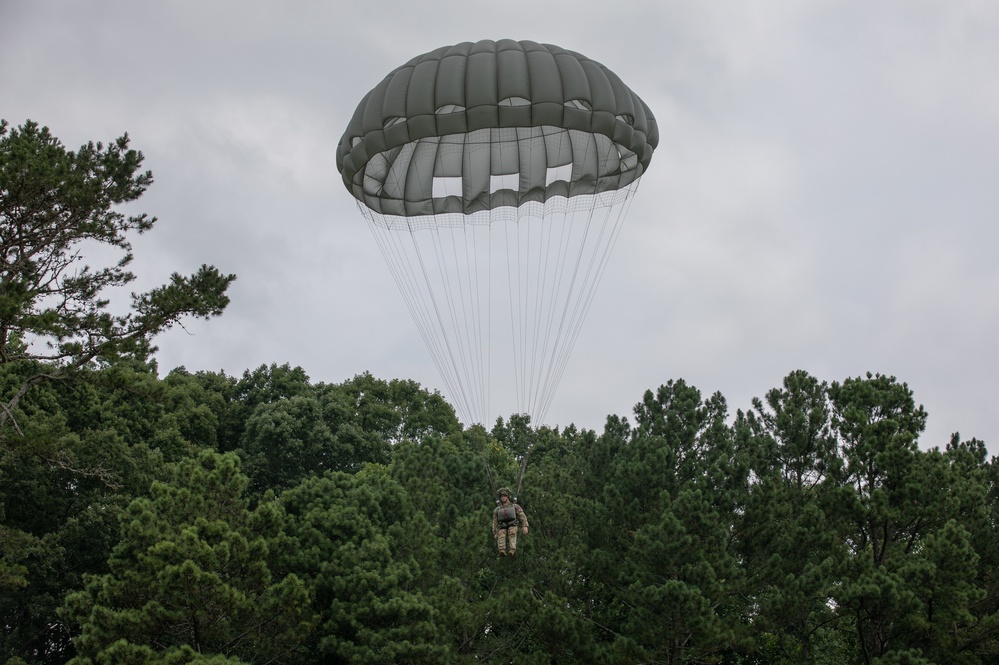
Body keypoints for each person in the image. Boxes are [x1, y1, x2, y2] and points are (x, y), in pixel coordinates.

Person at [492, 487, 528, 556]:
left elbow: (522, 515)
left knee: (512, 532)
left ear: (508, 497)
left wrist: (525, 525)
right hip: (502, 526)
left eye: (505, 496)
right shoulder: (497, 510)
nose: (503, 498)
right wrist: (494, 532)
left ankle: (512, 549)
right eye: (502, 496)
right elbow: (495, 522)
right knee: (501, 533)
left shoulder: (515, 506)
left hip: (512, 524)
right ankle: (502, 549)